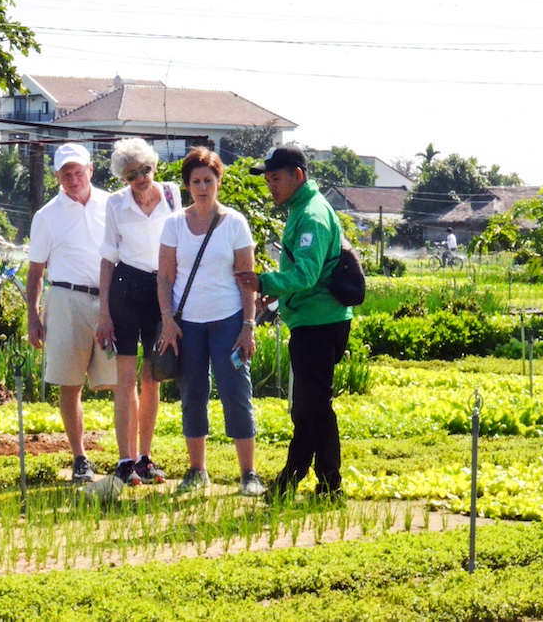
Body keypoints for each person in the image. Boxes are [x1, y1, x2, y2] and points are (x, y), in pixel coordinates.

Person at [234, 145, 353, 500]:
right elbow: (301, 273)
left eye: (275, 179)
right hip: (311, 320)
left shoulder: (312, 215)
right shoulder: (302, 209)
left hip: (320, 321)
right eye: (268, 179)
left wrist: (265, 282)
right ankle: (290, 481)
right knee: (307, 406)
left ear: (297, 176)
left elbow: (306, 273)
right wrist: (276, 292)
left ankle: (329, 484)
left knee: (313, 406)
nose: (270, 186)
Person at [156, 146, 265, 496]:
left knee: (236, 393)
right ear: (187, 185)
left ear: (219, 181)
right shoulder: (174, 224)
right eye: (196, 181)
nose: (203, 187)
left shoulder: (235, 223)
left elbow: (247, 277)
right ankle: (196, 470)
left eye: (208, 180)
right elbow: (165, 277)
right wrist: (168, 321)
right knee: (192, 395)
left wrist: (248, 326)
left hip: (228, 322)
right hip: (187, 325)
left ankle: (248, 474)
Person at [27, 142, 117, 484]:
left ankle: (133, 457)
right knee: (70, 383)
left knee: (122, 380)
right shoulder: (47, 216)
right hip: (66, 299)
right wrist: (33, 317)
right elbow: (35, 271)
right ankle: (80, 458)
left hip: (110, 301)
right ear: (57, 177)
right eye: (66, 173)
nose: (74, 178)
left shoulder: (112, 204)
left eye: (79, 171)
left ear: (91, 170)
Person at [96, 138, 181, 486]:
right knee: (125, 379)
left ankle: (146, 458)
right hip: (125, 290)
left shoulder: (174, 194)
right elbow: (106, 256)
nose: (141, 179)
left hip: (161, 290)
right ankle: (124, 460)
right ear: (124, 179)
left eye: (145, 170)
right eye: (132, 175)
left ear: (154, 167)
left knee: (153, 377)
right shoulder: (115, 205)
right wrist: (104, 312)